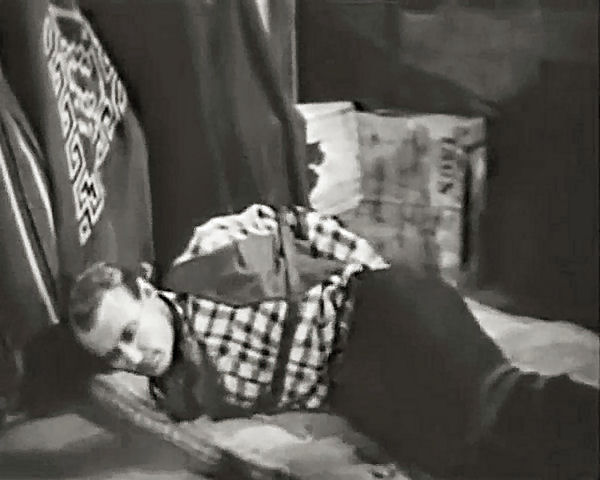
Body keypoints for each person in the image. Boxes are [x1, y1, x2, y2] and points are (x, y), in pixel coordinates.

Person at [68, 205, 598, 478]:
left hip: (375, 318)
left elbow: (300, 224)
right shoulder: (175, 396)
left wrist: (374, 277)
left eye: (130, 333)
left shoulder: (202, 261)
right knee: (467, 463)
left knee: (499, 405)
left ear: (146, 290)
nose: (132, 357)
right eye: (115, 354)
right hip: (358, 386)